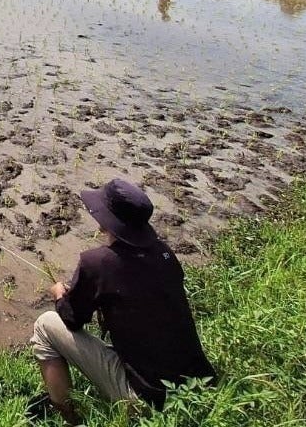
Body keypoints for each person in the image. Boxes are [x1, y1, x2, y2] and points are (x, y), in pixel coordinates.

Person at [28, 178, 215, 424]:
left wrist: (60, 293)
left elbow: (72, 319)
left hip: (150, 400)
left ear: (105, 219)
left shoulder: (98, 263)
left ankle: (70, 417)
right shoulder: (165, 255)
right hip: (200, 389)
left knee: (45, 325)